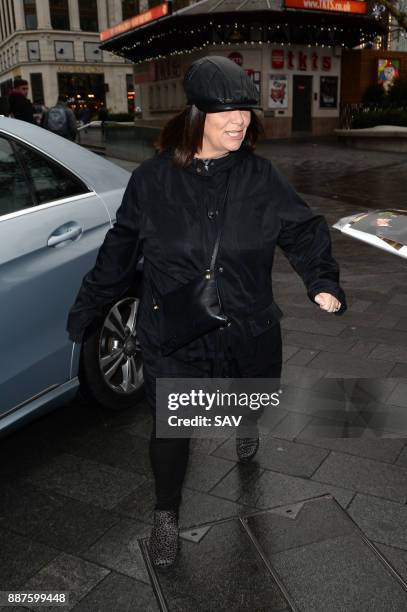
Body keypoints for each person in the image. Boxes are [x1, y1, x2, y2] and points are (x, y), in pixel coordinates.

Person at [66, 56, 346, 569]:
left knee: (250, 397)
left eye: (246, 110)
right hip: (174, 333)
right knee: (171, 426)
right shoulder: (152, 180)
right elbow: (121, 246)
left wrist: (321, 281)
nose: (240, 120)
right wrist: (89, 305)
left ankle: (245, 423)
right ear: (197, 114)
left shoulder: (261, 178)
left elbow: (304, 231)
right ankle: (166, 517)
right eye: (227, 111)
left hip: (246, 325)